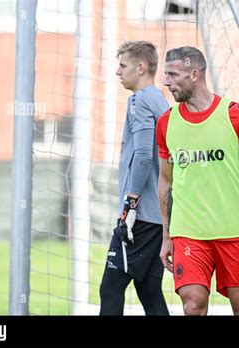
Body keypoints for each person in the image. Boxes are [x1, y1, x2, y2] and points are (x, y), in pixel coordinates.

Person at [157, 46, 239, 315]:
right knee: (192, 306)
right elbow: (165, 182)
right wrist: (166, 235)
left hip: (234, 229)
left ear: (194, 74)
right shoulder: (166, 123)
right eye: (165, 74)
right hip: (189, 233)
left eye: (173, 75)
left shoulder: (236, 115)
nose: (166, 82)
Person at [99, 41, 169, 315]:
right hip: (156, 216)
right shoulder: (161, 100)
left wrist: (130, 205)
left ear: (140, 68)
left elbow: (142, 155)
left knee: (110, 289)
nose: (118, 72)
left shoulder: (139, 100)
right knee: (150, 293)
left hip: (138, 217)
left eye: (123, 66)